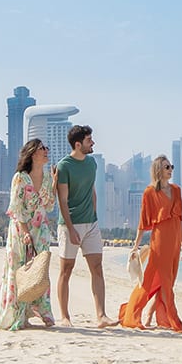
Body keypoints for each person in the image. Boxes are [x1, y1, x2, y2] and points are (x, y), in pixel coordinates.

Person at [0, 137, 59, 331]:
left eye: (46, 148)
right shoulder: (20, 177)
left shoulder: (46, 177)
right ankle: (17, 315)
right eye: (41, 148)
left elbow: (49, 205)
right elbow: (16, 208)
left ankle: (43, 312)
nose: (46, 151)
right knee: (18, 271)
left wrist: (54, 183)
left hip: (41, 230)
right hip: (21, 230)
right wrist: (26, 232)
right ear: (32, 153)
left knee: (39, 272)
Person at [54, 124, 114, 327]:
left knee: (97, 268)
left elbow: (92, 191)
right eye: (89, 140)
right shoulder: (64, 166)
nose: (93, 143)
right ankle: (65, 317)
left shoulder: (92, 164)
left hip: (91, 224)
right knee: (66, 270)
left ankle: (102, 316)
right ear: (78, 144)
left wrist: (94, 216)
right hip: (69, 225)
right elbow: (62, 200)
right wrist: (70, 229)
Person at [119, 155, 182, 332]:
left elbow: (180, 219)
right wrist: (136, 245)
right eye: (166, 167)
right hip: (160, 241)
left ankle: (153, 316)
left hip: (174, 241)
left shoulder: (177, 190)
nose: (170, 169)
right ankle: (172, 320)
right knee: (152, 280)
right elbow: (143, 222)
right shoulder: (150, 192)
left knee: (167, 281)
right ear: (158, 170)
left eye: (171, 166)